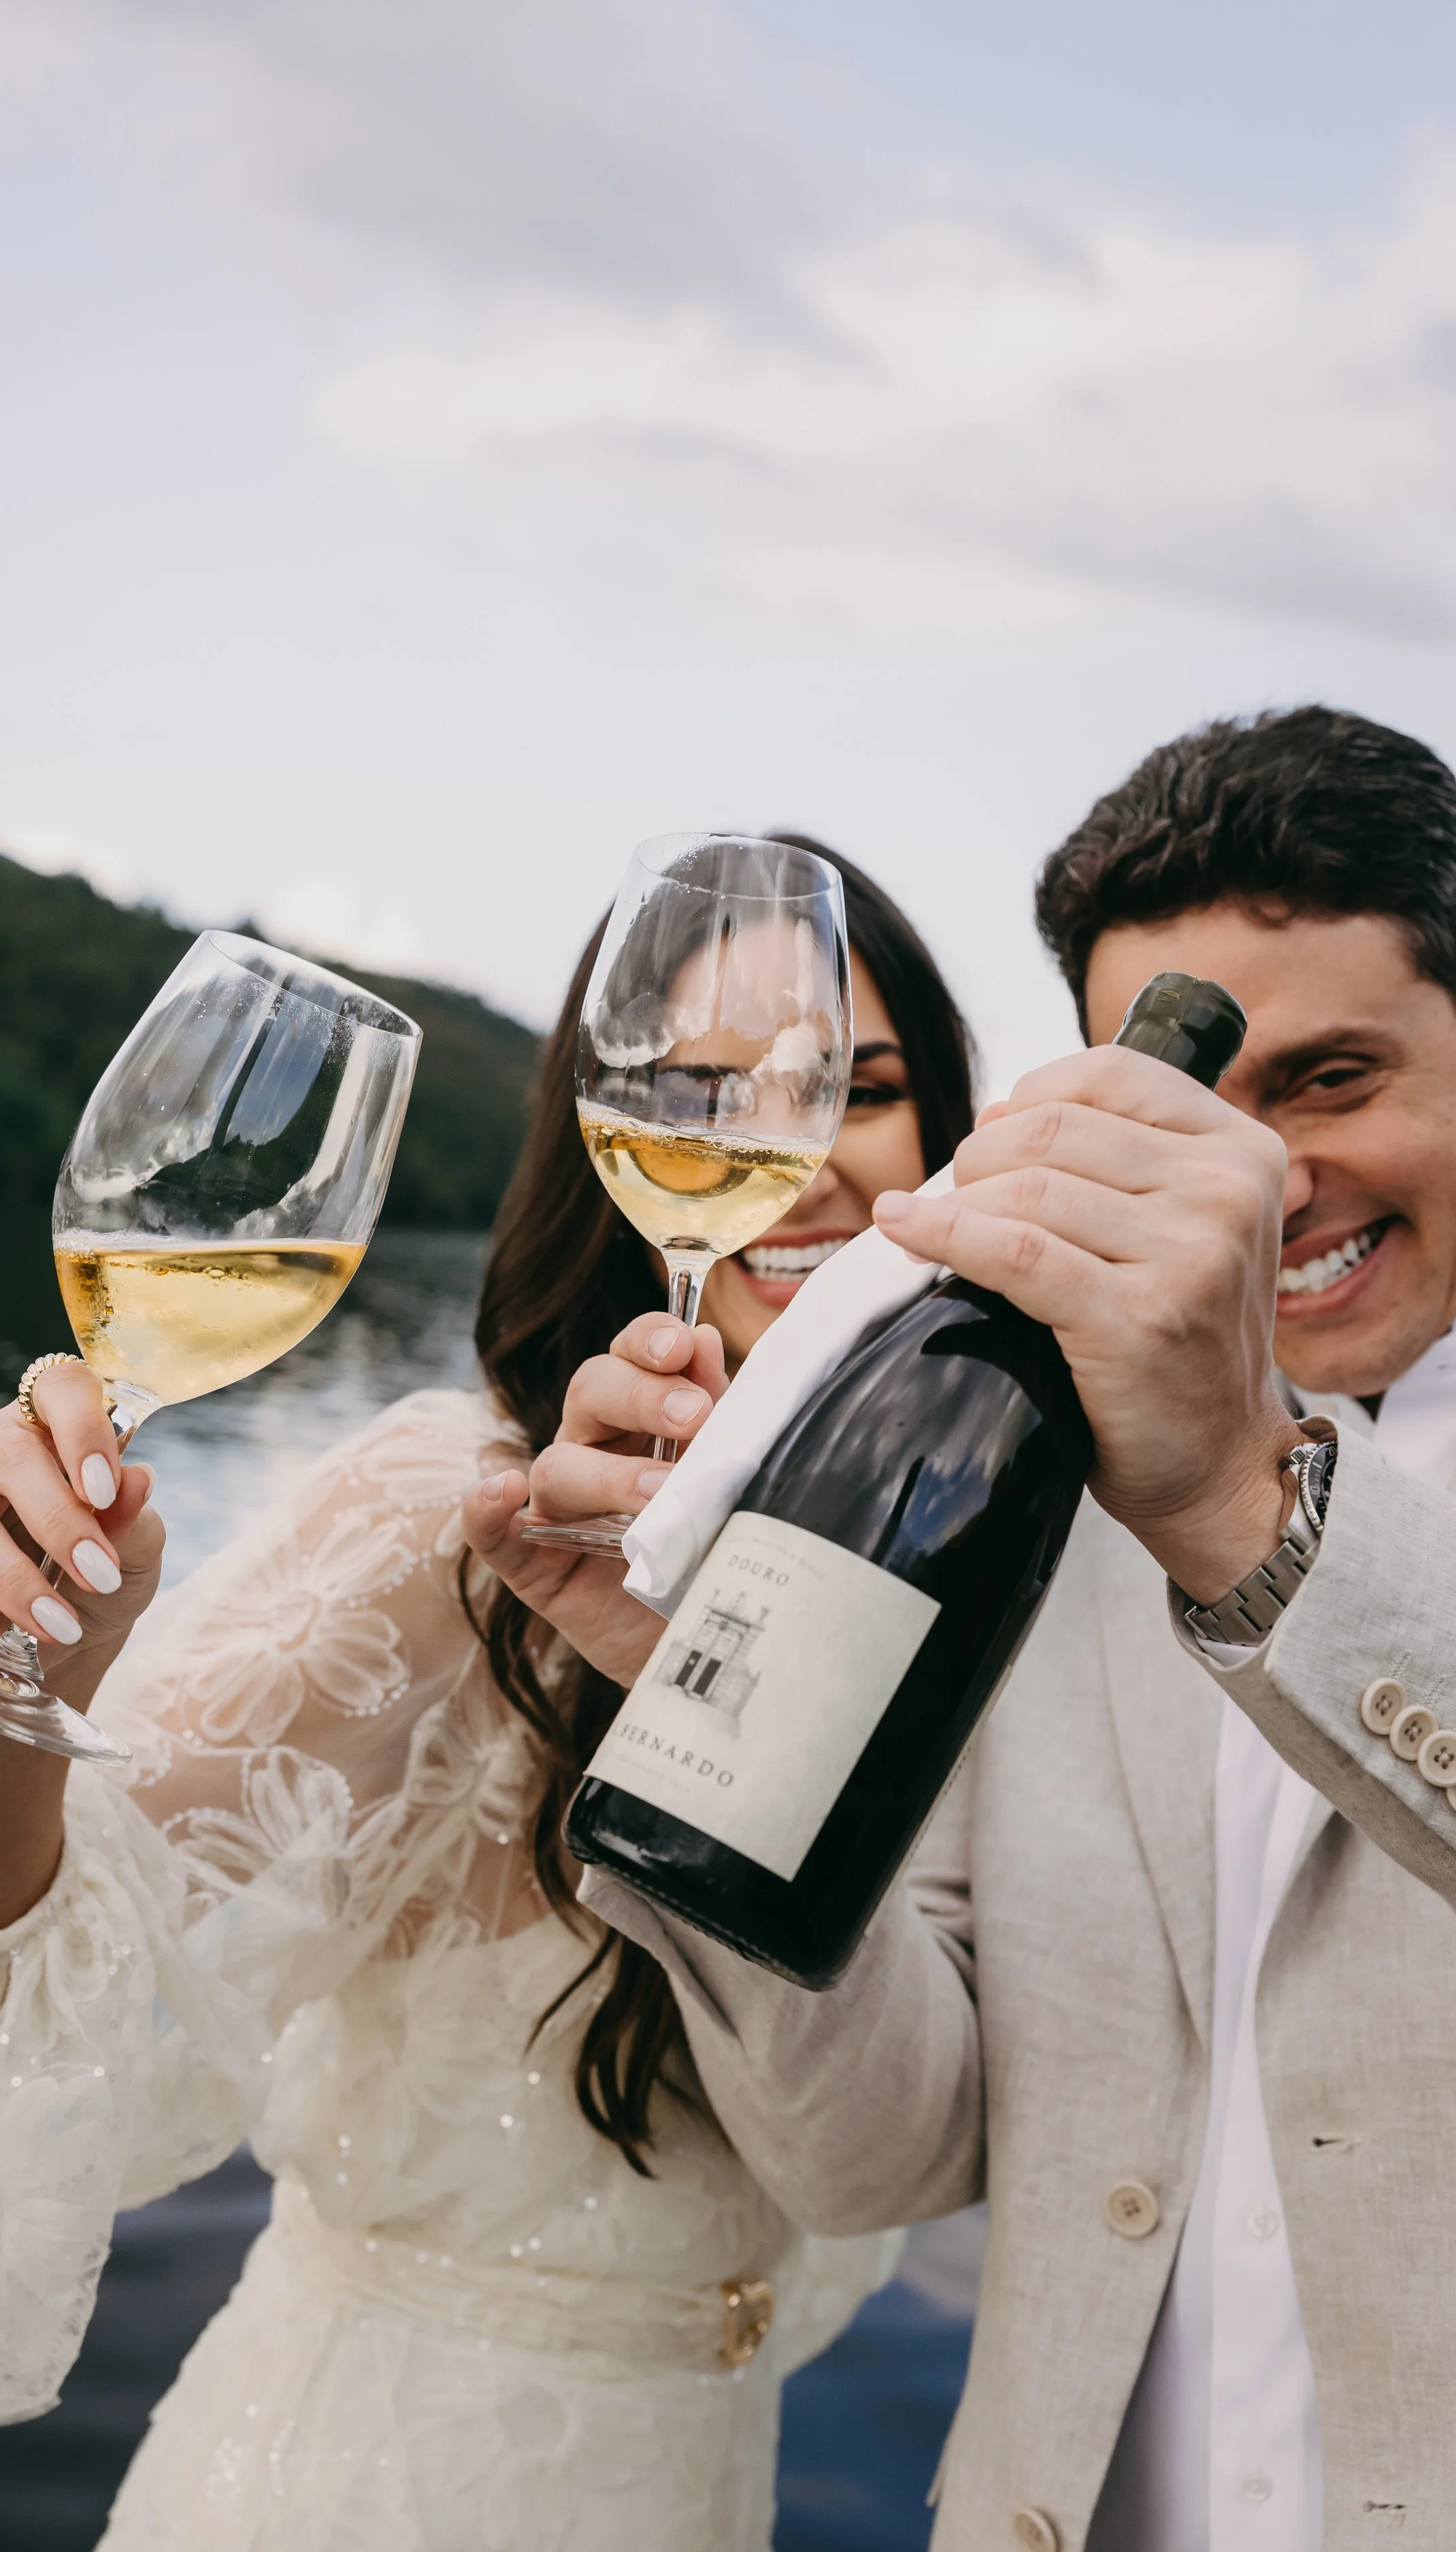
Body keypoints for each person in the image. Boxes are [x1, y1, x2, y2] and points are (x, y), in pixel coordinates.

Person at [0, 851, 971, 2551]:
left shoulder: (942, 1581)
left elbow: (915, 2139)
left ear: (941, 1134)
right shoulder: (457, 1516)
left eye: (854, 1086)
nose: (787, 1146)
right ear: (604, 1141)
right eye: (696, 1091)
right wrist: (20, 1670)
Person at [469, 706, 1456, 2551]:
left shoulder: (1181, 1481)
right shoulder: (1024, 1492)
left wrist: (1241, 1514)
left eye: (1328, 1079)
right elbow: (878, 2159)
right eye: (1189, 1105)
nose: (1245, 1183)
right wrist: (711, 1709)